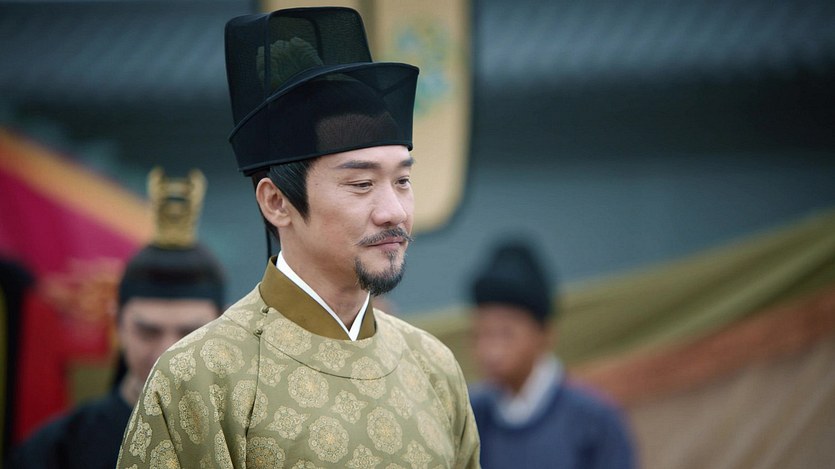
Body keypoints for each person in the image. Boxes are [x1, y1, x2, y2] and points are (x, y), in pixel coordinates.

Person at [116, 7, 479, 468]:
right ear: (276, 202)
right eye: (361, 184)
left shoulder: (435, 369)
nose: (394, 211)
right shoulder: (200, 376)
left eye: (402, 181)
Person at [8, 168, 225, 469]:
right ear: (118, 325)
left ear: (222, 329)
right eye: (148, 331)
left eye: (190, 333)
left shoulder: (252, 440)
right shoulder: (58, 450)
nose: (167, 352)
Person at [468, 238, 635, 469]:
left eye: (505, 333)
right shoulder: (472, 416)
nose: (491, 350)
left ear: (545, 334)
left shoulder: (594, 419)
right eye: (482, 333)